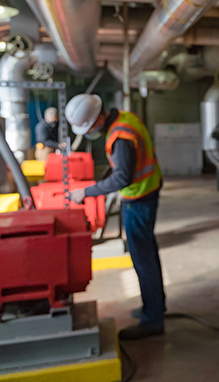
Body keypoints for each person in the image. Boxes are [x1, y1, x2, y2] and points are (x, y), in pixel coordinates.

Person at [64, 94, 166, 341]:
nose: (89, 132)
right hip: (147, 190)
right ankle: (155, 307)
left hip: (139, 198)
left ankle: (152, 321)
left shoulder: (119, 135)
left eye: (88, 127)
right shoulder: (124, 117)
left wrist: (85, 192)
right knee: (147, 254)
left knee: (143, 259)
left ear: (97, 119)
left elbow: (122, 178)